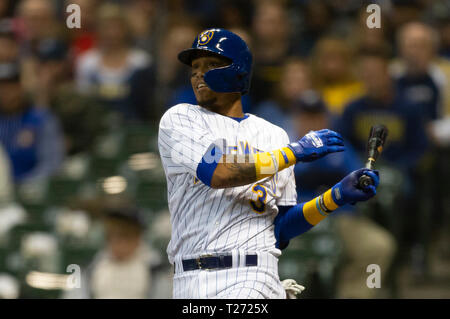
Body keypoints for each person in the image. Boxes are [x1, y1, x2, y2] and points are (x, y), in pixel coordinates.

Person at [158, 28, 380, 299]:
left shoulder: (273, 135)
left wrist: (334, 197)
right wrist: (294, 153)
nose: (198, 74)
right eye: (195, 67)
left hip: (254, 277)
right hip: (190, 280)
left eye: (211, 65)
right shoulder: (181, 119)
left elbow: (282, 226)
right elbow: (220, 173)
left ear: (239, 70)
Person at [291, 92, 396, 298]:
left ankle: (356, 292)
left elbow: (362, 182)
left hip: (341, 220)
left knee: (380, 246)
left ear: (326, 119)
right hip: (298, 221)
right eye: (306, 117)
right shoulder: (283, 147)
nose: (312, 123)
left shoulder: (340, 148)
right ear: (296, 119)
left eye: (317, 116)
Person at [63, 207, 165, 299]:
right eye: (112, 234)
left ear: (138, 236)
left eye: (125, 234)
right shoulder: (90, 268)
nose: (117, 240)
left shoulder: (156, 269)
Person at [0, 60, 64, 183]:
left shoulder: (41, 118)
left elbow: (52, 164)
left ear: (21, 87)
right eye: (2, 87)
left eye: (11, 86)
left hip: (32, 191)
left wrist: (22, 186)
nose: (6, 93)